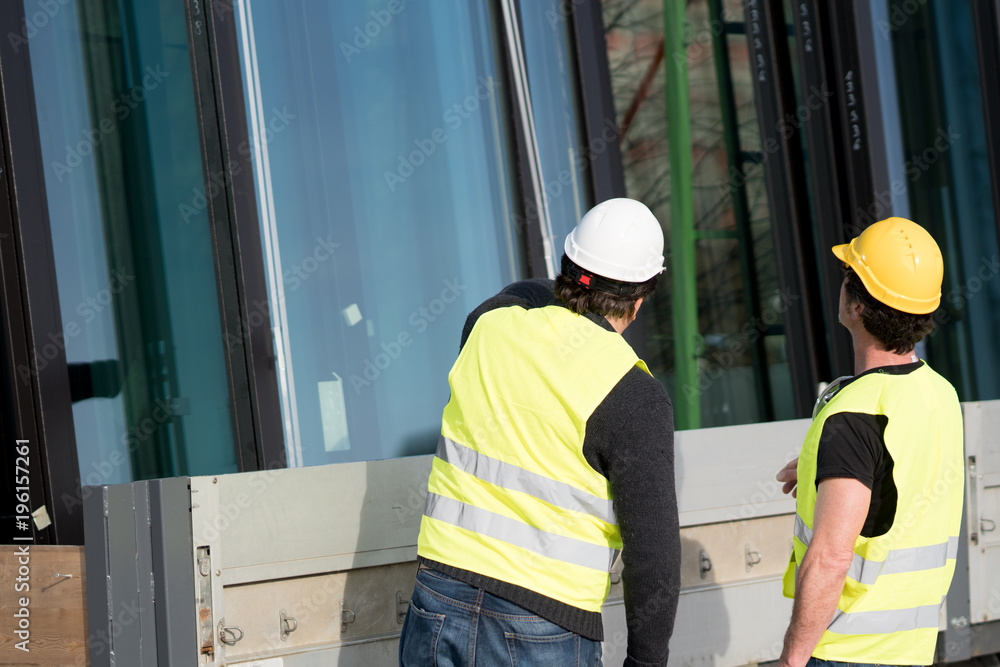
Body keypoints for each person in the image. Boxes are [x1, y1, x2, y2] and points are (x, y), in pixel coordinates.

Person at [398, 198, 680, 667]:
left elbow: (522, 292)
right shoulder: (634, 395)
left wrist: (570, 284)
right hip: (543, 626)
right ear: (641, 297)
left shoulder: (488, 326)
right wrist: (646, 662)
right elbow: (654, 556)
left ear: (566, 268)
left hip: (440, 597)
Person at [775, 217, 964, 667]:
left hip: (846, 652)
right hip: (911, 650)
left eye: (847, 279)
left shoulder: (854, 415)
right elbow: (903, 477)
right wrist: (824, 465)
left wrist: (792, 659)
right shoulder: (941, 393)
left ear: (857, 307)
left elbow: (830, 557)